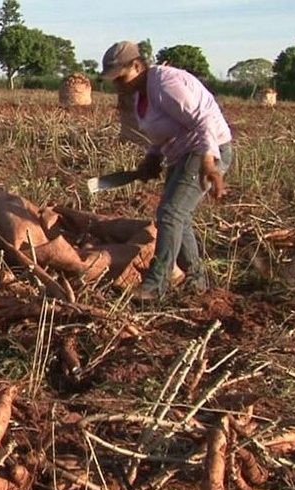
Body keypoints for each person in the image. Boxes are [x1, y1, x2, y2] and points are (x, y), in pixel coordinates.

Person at [100, 40, 234, 301]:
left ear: (137, 66)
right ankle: (196, 281)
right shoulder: (140, 94)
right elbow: (164, 132)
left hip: (206, 149)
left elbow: (203, 121)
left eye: (121, 77)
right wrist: (151, 158)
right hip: (183, 154)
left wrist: (209, 163)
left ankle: (155, 285)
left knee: (170, 213)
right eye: (113, 80)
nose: (118, 84)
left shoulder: (164, 83)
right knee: (178, 217)